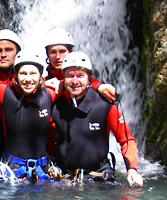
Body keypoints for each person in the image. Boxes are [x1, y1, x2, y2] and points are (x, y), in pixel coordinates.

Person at [51, 52, 143, 186]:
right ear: (63, 78)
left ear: (89, 78)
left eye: (80, 76)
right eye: (70, 76)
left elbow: (126, 140)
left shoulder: (105, 105)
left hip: (98, 177)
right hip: (64, 176)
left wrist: (132, 170)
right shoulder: (56, 103)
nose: (75, 81)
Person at [0, 50, 59, 182]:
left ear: (40, 76)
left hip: (42, 170)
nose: (28, 79)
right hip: (12, 171)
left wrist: (99, 86)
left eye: (33, 74)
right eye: (23, 74)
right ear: (15, 75)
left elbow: (76, 84)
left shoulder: (49, 94)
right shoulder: (5, 92)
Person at [42, 28, 117, 102]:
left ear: (70, 52)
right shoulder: (42, 81)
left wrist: (98, 86)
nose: (57, 57)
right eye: (53, 52)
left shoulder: (88, 81)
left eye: (62, 51)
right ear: (47, 54)